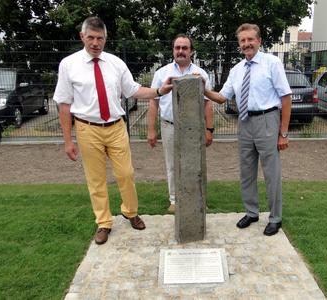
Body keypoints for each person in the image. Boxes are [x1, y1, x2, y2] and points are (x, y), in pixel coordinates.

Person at [53, 16, 172, 245]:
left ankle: (130, 211)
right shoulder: (69, 65)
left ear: (105, 39)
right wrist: (68, 141)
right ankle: (104, 223)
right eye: (91, 38)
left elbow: (133, 90)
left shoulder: (116, 63)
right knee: (96, 179)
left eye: (100, 38)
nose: (95, 43)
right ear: (82, 37)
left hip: (116, 127)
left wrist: (159, 91)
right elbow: (64, 104)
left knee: (126, 174)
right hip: (88, 129)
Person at [204, 23, 292, 236]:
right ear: (239, 44)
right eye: (243, 41)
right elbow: (223, 97)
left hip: (267, 120)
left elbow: (286, 97)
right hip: (244, 123)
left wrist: (283, 132)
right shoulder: (236, 70)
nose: (246, 44)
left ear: (259, 41)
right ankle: (251, 212)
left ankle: (275, 218)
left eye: (250, 39)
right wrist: (203, 89)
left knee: (272, 173)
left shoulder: (272, 63)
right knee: (246, 172)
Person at [146, 34, 214, 213]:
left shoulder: (201, 74)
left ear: (191, 51)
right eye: (177, 48)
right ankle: (174, 200)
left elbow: (208, 103)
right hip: (170, 126)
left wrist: (209, 129)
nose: (181, 51)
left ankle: (198, 199)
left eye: (185, 48)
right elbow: (153, 101)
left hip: (194, 128)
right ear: (173, 50)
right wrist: (151, 130)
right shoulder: (162, 73)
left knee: (195, 163)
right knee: (172, 164)